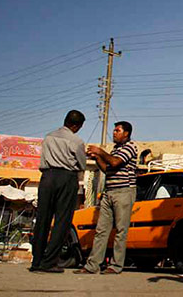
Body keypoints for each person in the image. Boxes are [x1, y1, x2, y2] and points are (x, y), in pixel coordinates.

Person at [75, 121, 138, 275]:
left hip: (124, 192)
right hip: (109, 192)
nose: (114, 133)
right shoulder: (115, 150)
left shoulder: (131, 147)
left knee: (121, 231)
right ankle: (93, 265)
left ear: (126, 133)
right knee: (101, 230)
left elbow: (115, 162)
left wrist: (100, 152)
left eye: (117, 130)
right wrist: (97, 157)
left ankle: (116, 265)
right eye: (114, 130)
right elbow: (107, 168)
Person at [31, 110, 86, 273]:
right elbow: (82, 164)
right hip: (67, 178)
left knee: (43, 219)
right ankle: (50, 262)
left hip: (47, 177)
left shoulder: (48, 136)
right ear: (76, 126)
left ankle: (37, 261)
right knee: (62, 221)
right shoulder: (76, 141)